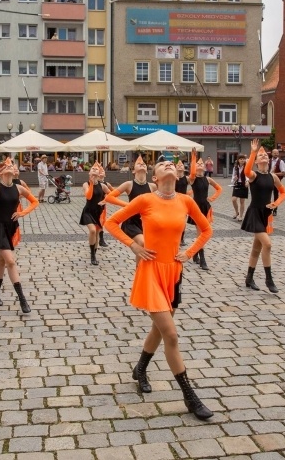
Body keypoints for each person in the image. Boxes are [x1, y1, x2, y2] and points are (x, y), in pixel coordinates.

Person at [104, 159, 214, 420]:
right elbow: (111, 223)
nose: (168, 165)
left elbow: (206, 229)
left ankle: (140, 369)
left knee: (159, 329)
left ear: (177, 174)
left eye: (170, 163)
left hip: (173, 273)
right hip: (151, 273)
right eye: (162, 164)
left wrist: (189, 253)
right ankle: (190, 397)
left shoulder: (185, 201)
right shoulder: (145, 200)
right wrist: (134, 246)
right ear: (155, 177)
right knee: (171, 335)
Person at [0, 159, 39, 312]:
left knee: (1, 261)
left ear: (15, 171)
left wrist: (22, 213)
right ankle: (22, 299)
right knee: (10, 261)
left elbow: (35, 202)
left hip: (11, 227)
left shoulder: (19, 188)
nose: (10, 167)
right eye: (6, 166)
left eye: (12, 166)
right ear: (2, 173)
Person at [241, 140, 285, 292]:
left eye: (265, 155)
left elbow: (283, 192)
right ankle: (269, 280)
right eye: (260, 156)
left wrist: (275, 203)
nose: (264, 157)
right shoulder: (254, 175)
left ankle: (249, 278)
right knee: (267, 244)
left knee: (256, 248)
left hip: (266, 215)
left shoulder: (273, 177)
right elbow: (246, 172)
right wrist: (253, 152)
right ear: (256, 161)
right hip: (255, 213)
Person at [104, 156, 157, 254]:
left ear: (146, 171)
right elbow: (109, 197)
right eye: (138, 164)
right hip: (132, 221)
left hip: (146, 221)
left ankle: (139, 264)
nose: (142, 164)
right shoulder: (128, 184)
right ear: (133, 171)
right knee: (142, 242)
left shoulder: (153, 186)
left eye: (144, 164)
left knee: (144, 246)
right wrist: (129, 206)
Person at [186, 149, 222, 270]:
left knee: (203, 232)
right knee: (201, 233)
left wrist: (212, 198)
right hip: (196, 208)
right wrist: (193, 158)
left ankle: (195, 253)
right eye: (198, 163)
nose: (200, 164)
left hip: (206, 207)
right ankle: (202, 259)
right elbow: (192, 173)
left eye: (202, 163)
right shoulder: (192, 179)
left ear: (205, 167)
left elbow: (219, 188)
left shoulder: (208, 179)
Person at [80, 164, 113, 265]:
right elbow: (88, 196)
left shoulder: (102, 186)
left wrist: (105, 200)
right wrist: (91, 183)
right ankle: (92, 255)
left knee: (97, 234)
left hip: (99, 212)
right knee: (92, 231)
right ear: (89, 172)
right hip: (88, 211)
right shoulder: (85, 184)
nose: (94, 169)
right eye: (92, 168)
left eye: (96, 169)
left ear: (99, 173)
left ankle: (94, 254)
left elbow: (113, 194)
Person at [231, 155, 248, 221]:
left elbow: (248, 176)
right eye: (241, 159)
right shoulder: (235, 167)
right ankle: (236, 212)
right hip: (237, 184)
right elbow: (233, 176)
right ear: (238, 160)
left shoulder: (247, 167)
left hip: (244, 185)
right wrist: (234, 179)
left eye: (243, 159)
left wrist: (247, 181)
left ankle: (241, 216)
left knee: (242, 201)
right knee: (233, 199)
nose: (242, 160)